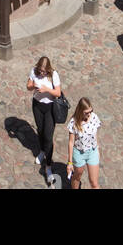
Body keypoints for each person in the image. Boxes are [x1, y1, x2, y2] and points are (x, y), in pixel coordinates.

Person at [27, 55, 62, 185]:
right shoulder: (33, 71)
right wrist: (33, 87)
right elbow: (28, 86)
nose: (42, 73)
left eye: (44, 71)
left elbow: (58, 93)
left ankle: (48, 165)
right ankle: (42, 151)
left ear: (48, 69)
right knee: (40, 131)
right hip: (37, 105)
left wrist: (46, 89)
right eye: (40, 71)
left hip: (50, 107)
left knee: (48, 136)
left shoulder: (53, 75)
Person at [66, 97, 101, 189]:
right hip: (79, 153)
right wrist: (69, 162)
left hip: (92, 152)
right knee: (77, 176)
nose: (89, 114)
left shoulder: (94, 117)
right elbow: (71, 142)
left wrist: (97, 149)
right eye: (86, 113)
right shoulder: (74, 122)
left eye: (91, 111)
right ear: (81, 111)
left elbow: (95, 135)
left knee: (94, 183)